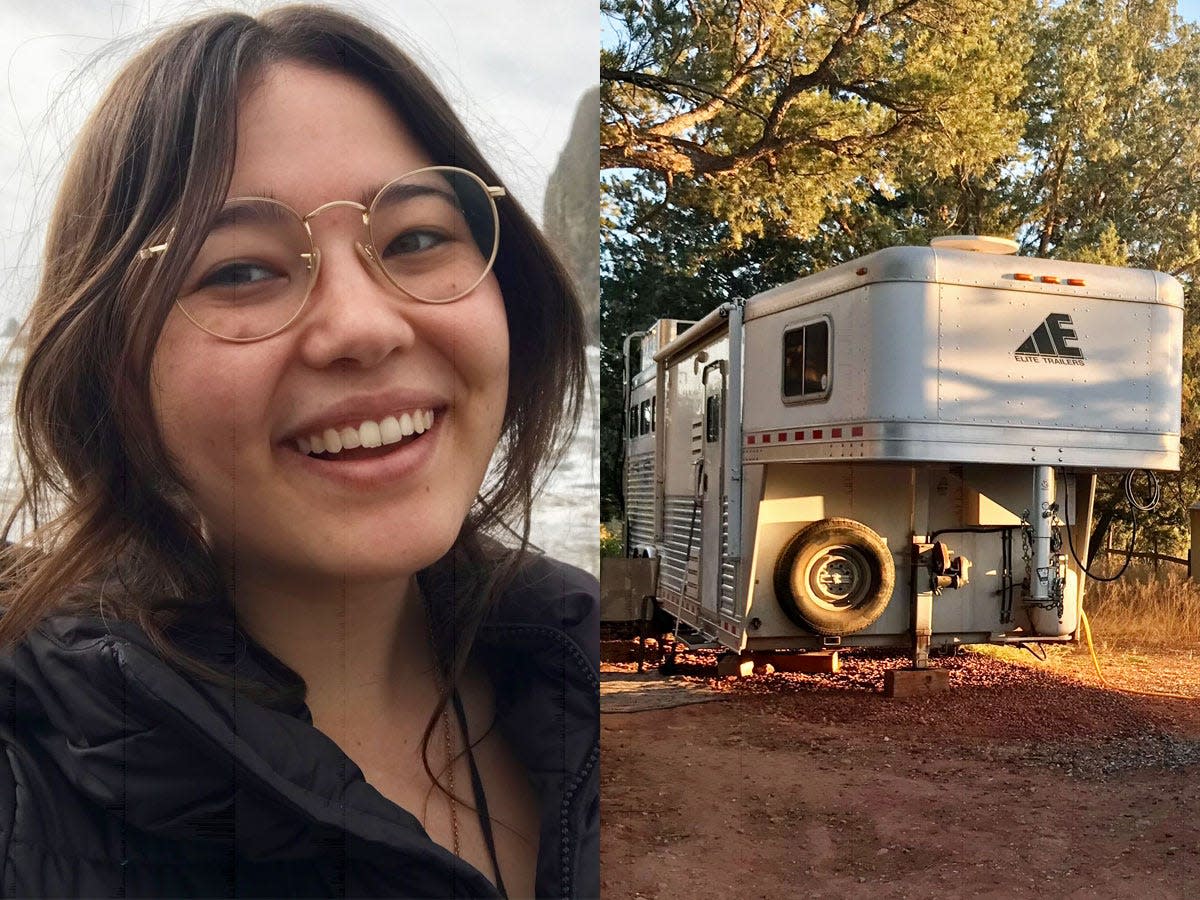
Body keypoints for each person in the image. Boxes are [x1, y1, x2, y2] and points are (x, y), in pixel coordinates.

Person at [0, 6, 598, 898]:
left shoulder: (580, 660)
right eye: (241, 269)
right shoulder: (33, 782)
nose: (362, 326)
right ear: (114, 368)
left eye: (416, 238)